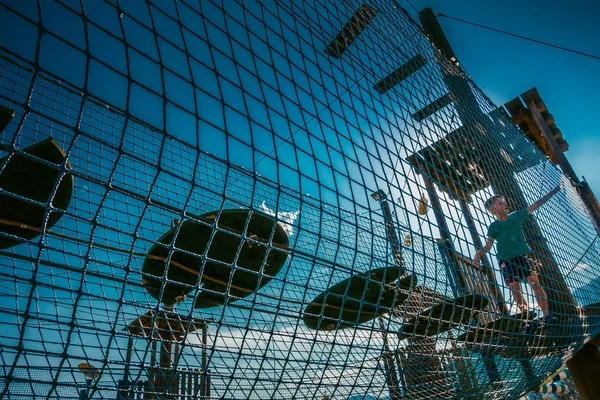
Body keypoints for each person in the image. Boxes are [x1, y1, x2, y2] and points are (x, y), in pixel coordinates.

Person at [473, 182, 563, 324]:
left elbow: (536, 204)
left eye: (503, 202)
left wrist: (555, 190)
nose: (504, 204)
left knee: (535, 283)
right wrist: (478, 255)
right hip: (506, 260)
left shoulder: (516, 216)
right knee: (515, 288)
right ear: (492, 210)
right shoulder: (493, 227)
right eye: (500, 203)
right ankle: (527, 317)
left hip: (522, 256)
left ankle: (547, 316)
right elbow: (488, 245)